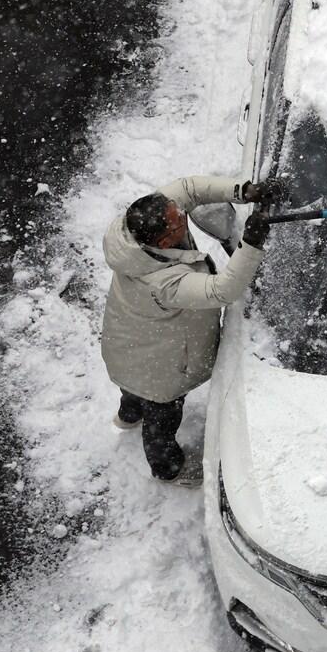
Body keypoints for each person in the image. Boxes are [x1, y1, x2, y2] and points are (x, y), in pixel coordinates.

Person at [101, 175, 283, 487]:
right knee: (162, 417)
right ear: (163, 243)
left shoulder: (140, 226)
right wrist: (251, 245)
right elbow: (222, 290)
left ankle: (128, 414)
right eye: (176, 223)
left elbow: (188, 190)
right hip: (160, 370)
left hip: (128, 345)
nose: (182, 215)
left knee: (132, 388)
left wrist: (242, 191)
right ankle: (168, 469)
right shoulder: (163, 283)